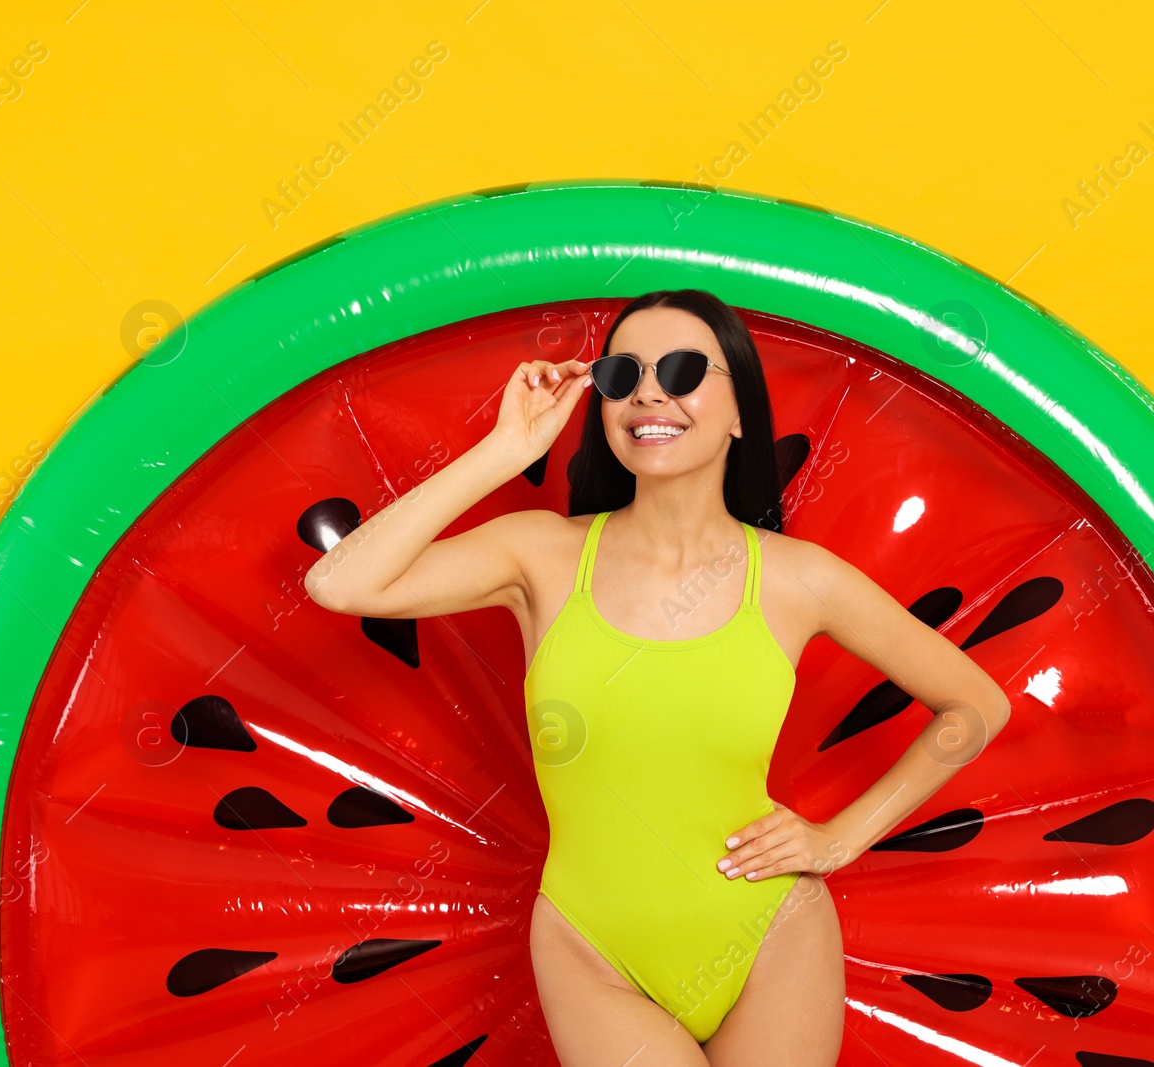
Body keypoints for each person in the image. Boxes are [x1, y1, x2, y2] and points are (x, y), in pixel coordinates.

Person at [304, 289, 1011, 1065]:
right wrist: (507, 449)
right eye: (621, 374)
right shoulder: (539, 555)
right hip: (591, 945)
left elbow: (976, 705)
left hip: (770, 934)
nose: (648, 392)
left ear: (740, 410)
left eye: (681, 370)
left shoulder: (798, 580)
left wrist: (840, 839)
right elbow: (341, 583)